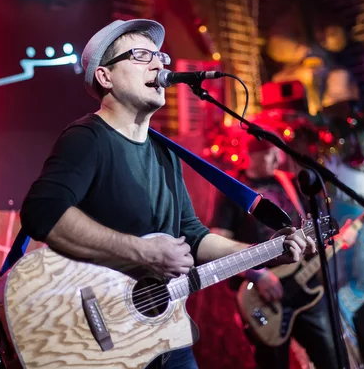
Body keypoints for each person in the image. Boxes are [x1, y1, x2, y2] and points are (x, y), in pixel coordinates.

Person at [18, 19, 314, 369]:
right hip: (100, 334)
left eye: (160, 55)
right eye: (142, 55)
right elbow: (42, 212)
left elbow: (193, 235)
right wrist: (142, 251)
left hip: (164, 331)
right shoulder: (87, 138)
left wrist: (264, 253)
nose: (160, 64)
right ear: (105, 77)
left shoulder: (166, 153)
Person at [210, 136, 358, 369]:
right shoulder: (234, 190)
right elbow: (217, 243)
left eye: (278, 152)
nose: (278, 158)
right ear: (252, 154)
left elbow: (313, 230)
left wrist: (339, 239)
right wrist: (257, 275)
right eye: (270, 152)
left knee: (334, 358)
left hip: (305, 290)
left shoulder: (289, 183)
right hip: (260, 297)